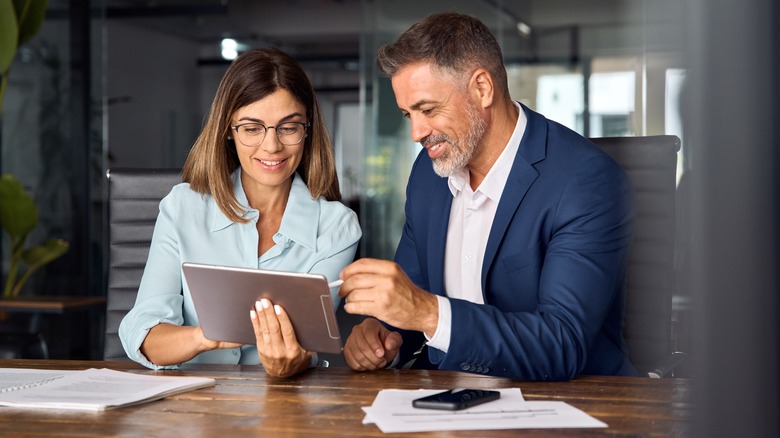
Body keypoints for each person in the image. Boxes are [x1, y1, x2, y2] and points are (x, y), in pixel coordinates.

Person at [337, 12, 636, 381]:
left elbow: (562, 344)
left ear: (482, 88)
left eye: (428, 109)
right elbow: (414, 300)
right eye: (407, 114)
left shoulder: (585, 181)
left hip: (564, 401)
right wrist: (382, 335)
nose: (416, 132)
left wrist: (429, 313)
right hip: (444, 397)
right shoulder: (429, 174)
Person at [119, 48, 362, 378]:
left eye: (288, 127)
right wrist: (208, 336)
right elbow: (144, 335)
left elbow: (308, 344)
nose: (272, 146)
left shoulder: (337, 227)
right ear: (228, 131)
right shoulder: (182, 208)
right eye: (252, 128)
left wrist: (290, 363)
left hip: (286, 407)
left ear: (308, 129)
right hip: (192, 409)